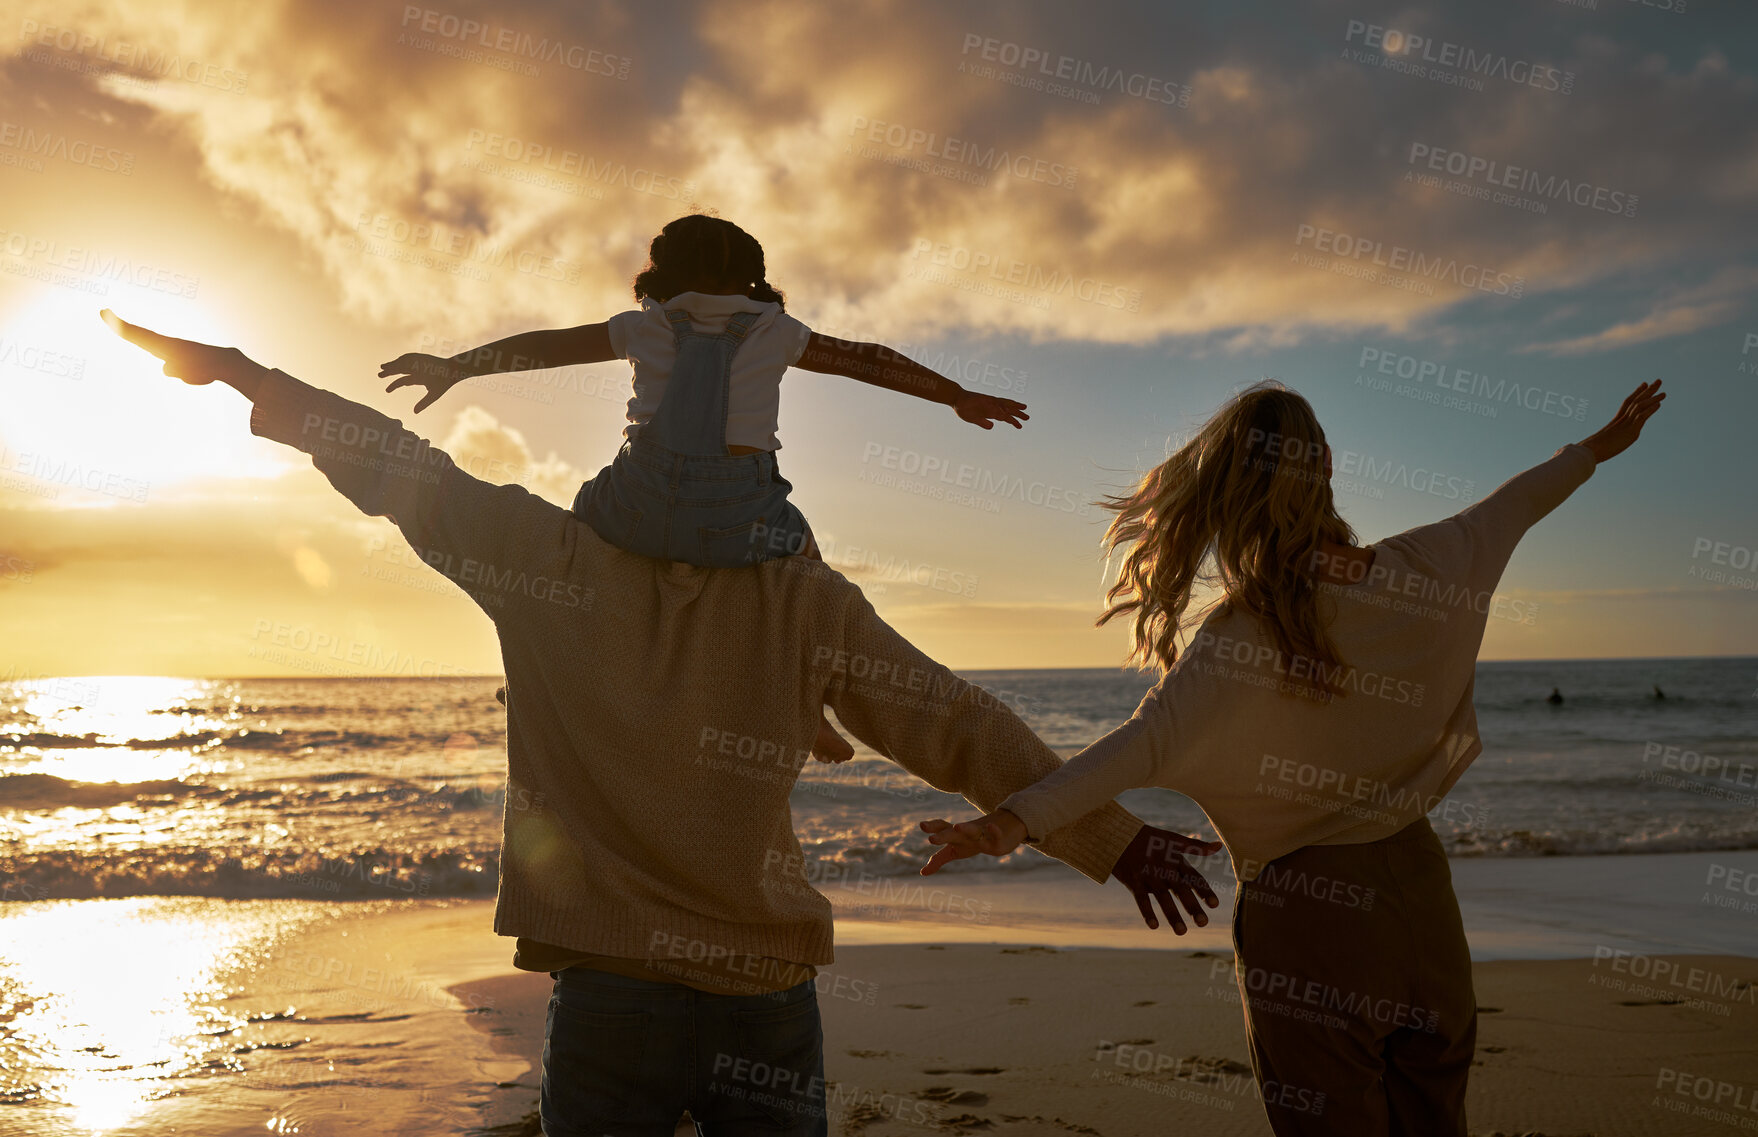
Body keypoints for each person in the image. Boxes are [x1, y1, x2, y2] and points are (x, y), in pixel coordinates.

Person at [100, 310, 1222, 1137]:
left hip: (607, 994)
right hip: (763, 993)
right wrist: (1110, 839)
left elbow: (399, 469)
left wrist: (249, 374)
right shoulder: (804, 599)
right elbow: (960, 725)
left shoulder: (545, 561)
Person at [917, 378, 1666, 1137]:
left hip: (1307, 924)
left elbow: (1128, 751)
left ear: (1222, 495)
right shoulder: (1434, 565)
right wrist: (1599, 444)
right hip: (1424, 909)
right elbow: (1519, 502)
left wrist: (1009, 824)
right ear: (1330, 465)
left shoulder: (1235, 642)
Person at [378, 214, 1031, 763]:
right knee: (810, 568)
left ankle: (538, 674)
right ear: (752, 276)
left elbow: (548, 347)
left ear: (664, 275)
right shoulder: (777, 329)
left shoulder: (646, 325)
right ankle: (811, 706)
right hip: (740, 511)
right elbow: (869, 359)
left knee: (574, 539)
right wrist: (956, 395)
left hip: (635, 503)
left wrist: (457, 367)